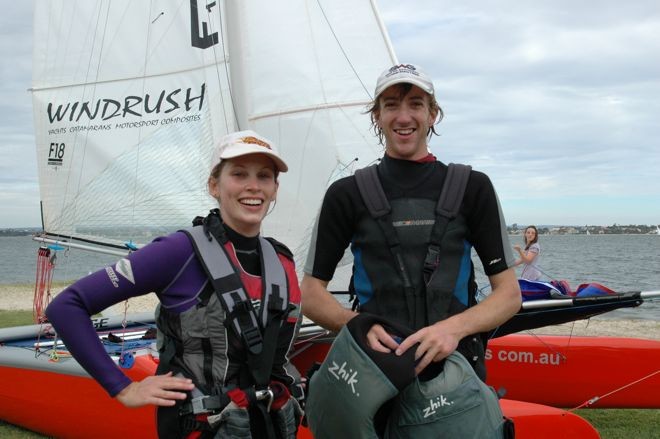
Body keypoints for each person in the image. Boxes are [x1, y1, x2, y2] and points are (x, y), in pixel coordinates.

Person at [46, 130, 304, 439]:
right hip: (200, 427)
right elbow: (66, 307)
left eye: (264, 176)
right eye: (238, 174)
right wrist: (124, 388)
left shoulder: (281, 261)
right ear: (214, 186)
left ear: (275, 189)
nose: (253, 186)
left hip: (268, 425)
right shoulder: (178, 252)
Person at [302, 63, 521, 420]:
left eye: (416, 104)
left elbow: (509, 295)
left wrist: (453, 328)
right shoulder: (347, 194)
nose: (404, 117)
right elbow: (311, 294)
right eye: (391, 105)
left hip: (456, 374)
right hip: (374, 377)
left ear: (433, 114)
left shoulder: (472, 187)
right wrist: (357, 324)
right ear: (377, 116)